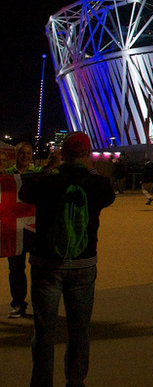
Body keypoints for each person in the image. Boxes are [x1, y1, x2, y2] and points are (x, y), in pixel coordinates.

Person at [19, 131, 116, 386]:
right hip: (83, 264)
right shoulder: (97, 184)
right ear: (86, 154)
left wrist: (49, 168)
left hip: (47, 264)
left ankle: (41, 382)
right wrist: (90, 169)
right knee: (79, 330)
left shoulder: (49, 181)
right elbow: (109, 195)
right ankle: (75, 381)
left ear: (63, 153)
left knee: (44, 332)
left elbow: (24, 194)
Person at [4, 142, 41, 319]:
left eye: (28, 152)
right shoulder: (7, 175)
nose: (25, 156)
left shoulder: (38, 174)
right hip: (15, 230)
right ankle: (18, 303)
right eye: (21, 153)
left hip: (34, 228)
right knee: (16, 269)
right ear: (15, 154)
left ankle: (40, 303)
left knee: (38, 268)